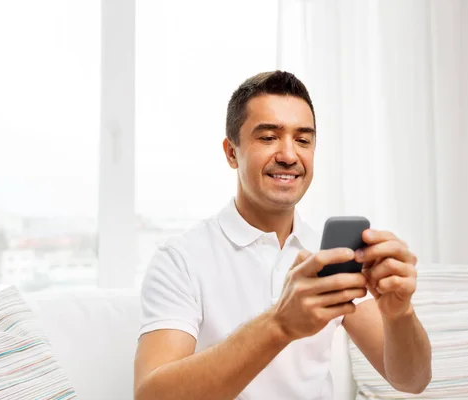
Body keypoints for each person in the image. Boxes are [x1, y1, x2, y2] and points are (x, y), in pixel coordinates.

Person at [133, 71, 432, 400]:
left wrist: (399, 313)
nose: (289, 155)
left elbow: (411, 381)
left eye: (303, 140)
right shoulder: (181, 259)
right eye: (268, 137)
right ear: (231, 152)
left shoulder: (332, 255)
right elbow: (151, 396)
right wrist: (280, 324)